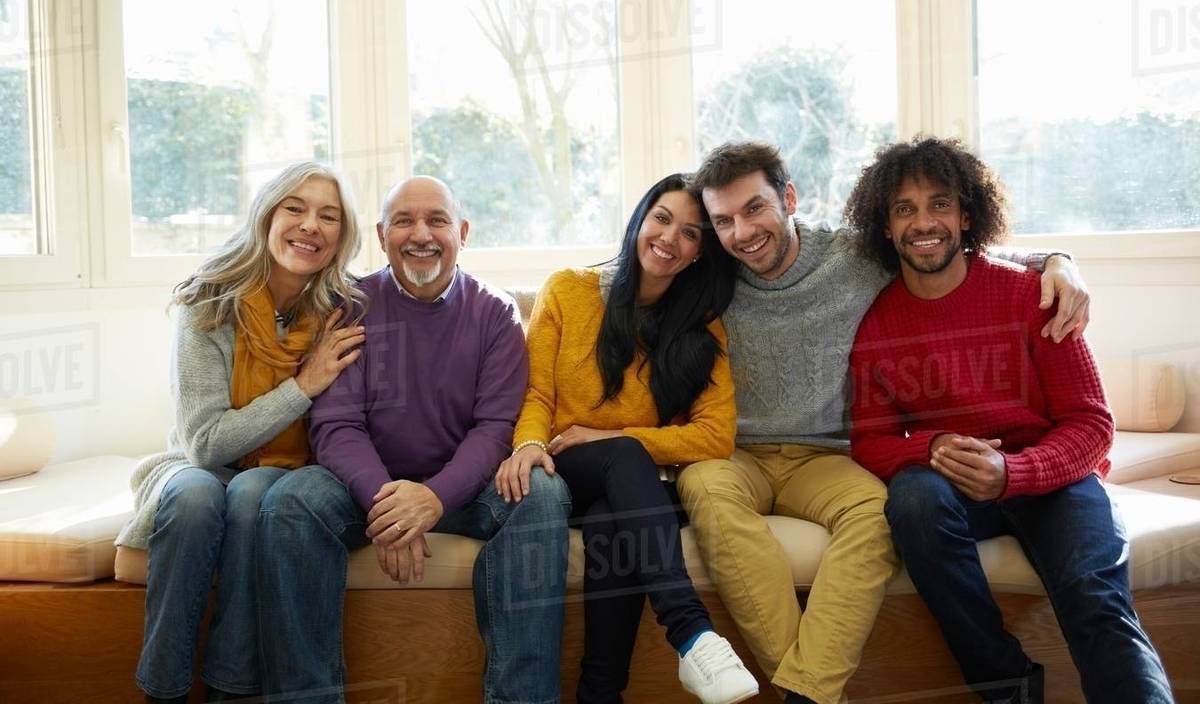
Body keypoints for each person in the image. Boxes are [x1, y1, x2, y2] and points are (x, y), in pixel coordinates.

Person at [676, 141, 1092, 704]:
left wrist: (1058, 261)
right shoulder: (708, 277)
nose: (742, 232)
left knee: (879, 514)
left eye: (755, 209)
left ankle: (807, 692)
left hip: (825, 456)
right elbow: (636, 273)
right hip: (734, 452)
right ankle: (812, 694)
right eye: (723, 220)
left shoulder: (852, 256)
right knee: (701, 484)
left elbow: (946, 246)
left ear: (789, 198)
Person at [844, 136, 1173, 704]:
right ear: (886, 227)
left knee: (1096, 596)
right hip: (958, 486)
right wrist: (936, 446)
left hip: (1055, 482)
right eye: (905, 209)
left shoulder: (1031, 294)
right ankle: (1010, 687)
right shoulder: (877, 325)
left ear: (967, 214)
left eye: (939, 203)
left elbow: (1091, 423)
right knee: (914, 500)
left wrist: (1014, 472)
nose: (924, 222)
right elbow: (869, 440)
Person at [255, 176, 572, 704]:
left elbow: (494, 430)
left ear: (462, 232)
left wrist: (432, 499)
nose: (420, 234)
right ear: (382, 235)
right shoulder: (349, 305)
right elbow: (336, 426)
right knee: (290, 502)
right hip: (368, 490)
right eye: (403, 221)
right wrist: (390, 507)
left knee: (541, 495)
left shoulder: (495, 313)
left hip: (461, 491)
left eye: (437, 220)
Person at [495, 173, 759, 704]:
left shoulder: (701, 328)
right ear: (639, 220)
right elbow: (537, 396)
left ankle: (600, 694)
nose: (669, 239)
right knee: (620, 457)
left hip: (638, 487)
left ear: (698, 254)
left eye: (690, 233)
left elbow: (714, 436)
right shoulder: (568, 289)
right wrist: (528, 445)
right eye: (661, 219)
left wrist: (611, 434)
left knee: (610, 519)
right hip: (565, 466)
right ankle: (691, 633)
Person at [114, 162, 367, 704]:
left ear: (342, 236)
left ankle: (232, 691)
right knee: (197, 499)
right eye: (294, 208)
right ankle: (164, 689)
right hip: (194, 464)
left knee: (253, 493)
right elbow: (204, 443)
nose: (310, 226)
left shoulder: (342, 311)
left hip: (286, 470)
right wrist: (305, 385)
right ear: (266, 215)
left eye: (329, 216)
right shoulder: (207, 301)